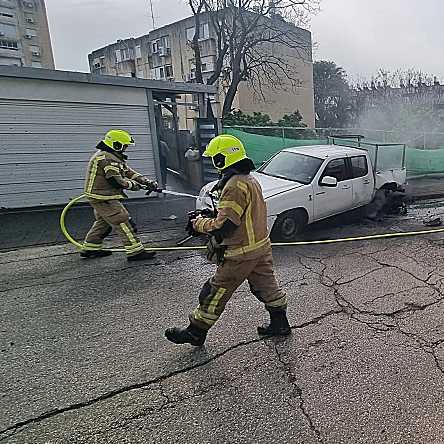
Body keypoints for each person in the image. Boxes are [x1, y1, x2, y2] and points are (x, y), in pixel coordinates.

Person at [165, 134, 290, 346]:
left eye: (214, 158)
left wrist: (199, 224)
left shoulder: (233, 185)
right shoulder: (249, 179)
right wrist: (214, 214)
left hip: (240, 253)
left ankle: (195, 332)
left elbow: (225, 225)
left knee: (214, 291)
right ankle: (280, 324)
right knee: (267, 285)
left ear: (221, 160)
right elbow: (241, 215)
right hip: (260, 247)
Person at [80, 130, 159, 261]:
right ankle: (135, 252)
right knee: (122, 221)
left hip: (99, 196)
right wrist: (134, 186)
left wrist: (147, 182)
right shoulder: (108, 159)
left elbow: (128, 172)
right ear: (116, 145)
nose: (126, 148)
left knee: (103, 223)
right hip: (104, 197)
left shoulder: (110, 156)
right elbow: (116, 181)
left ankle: (90, 248)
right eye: (124, 145)